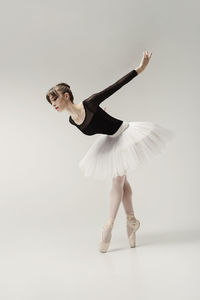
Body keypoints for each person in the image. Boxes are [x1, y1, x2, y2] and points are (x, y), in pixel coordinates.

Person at [46, 51, 174, 253]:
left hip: (124, 134)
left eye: (54, 99)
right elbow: (96, 126)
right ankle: (131, 222)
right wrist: (102, 116)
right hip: (111, 142)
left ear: (66, 96)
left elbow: (116, 86)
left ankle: (108, 225)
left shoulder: (90, 103)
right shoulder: (72, 121)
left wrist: (140, 68)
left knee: (117, 180)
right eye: (50, 102)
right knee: (123, 183)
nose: (53, 104)